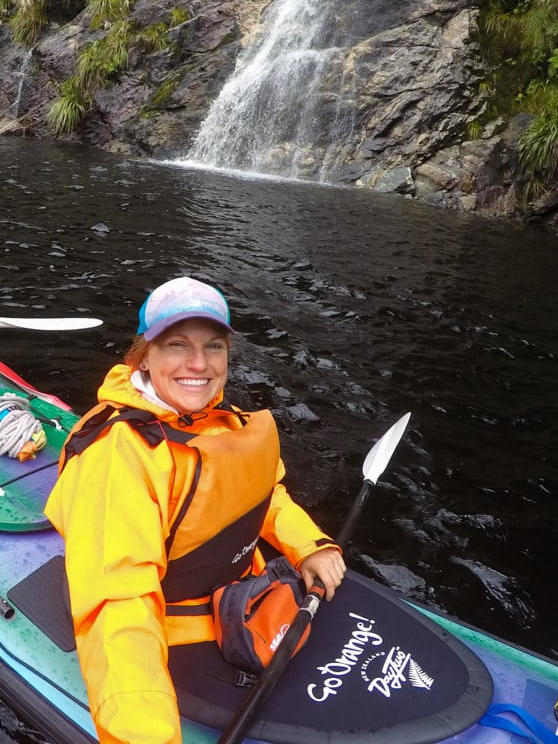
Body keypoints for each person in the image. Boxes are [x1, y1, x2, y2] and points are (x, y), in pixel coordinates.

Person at [44, 276, 346, 744]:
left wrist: (309, 546)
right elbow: (120, 607)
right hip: (174, 629)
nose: (199, 364)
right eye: (177, 345)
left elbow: (266, 493)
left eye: (215, 347)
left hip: (244, 597)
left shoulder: (218, 420)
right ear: (143, 355)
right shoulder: (117, 457)